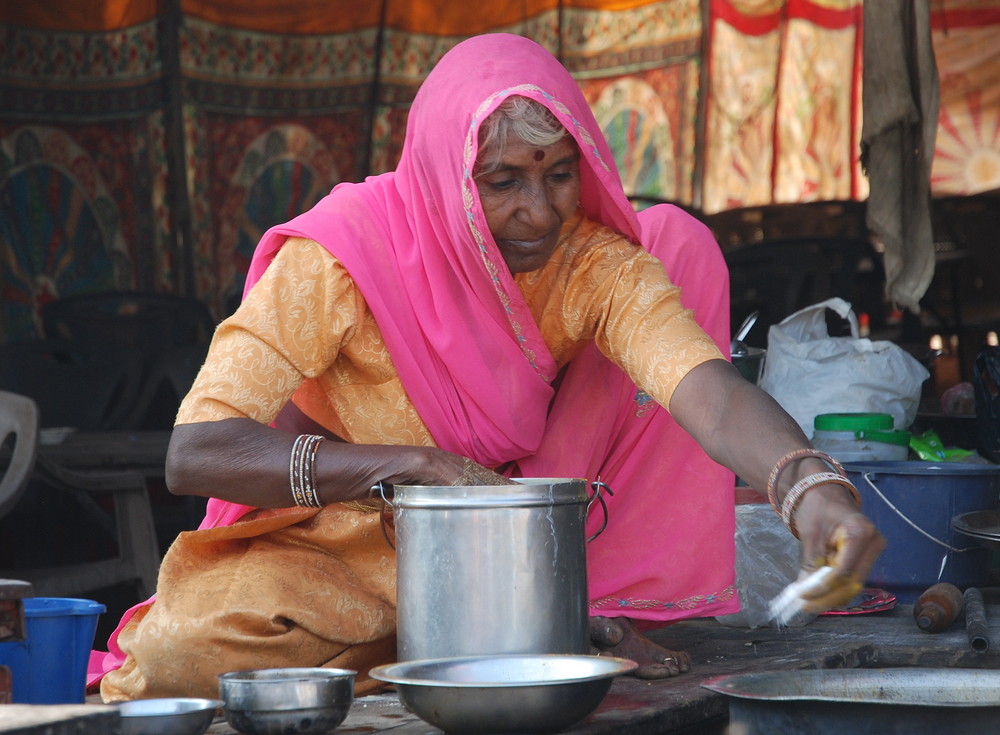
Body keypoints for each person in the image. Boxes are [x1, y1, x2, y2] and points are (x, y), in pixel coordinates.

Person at [91, 33, 884, 701]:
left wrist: (805, 484)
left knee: (677, 248)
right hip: (347, 553)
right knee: (179, 656)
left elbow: (707, 391)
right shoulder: (340, 256)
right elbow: (195, 453)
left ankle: (525, 627)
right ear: (445, 174)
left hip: (513, 557)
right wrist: (405, 468)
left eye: (559, 174)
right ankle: (515, 637)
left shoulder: (590, 264)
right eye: (502, 181)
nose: (537, 211)